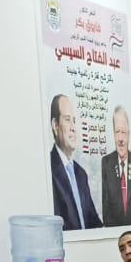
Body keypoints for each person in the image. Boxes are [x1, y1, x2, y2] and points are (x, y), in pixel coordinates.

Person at [49, 93, 103, 230]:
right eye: (67, 120)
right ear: (55, 125)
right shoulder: (48, 169)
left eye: (74, 120)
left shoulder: (81, 174)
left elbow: (93, 220)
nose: (73, 127)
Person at [101, 105, 131, 226]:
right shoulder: (106, 163)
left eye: (123, 132)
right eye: (117, 132)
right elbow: (106, 211)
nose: (120, 138)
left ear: (129, 134)